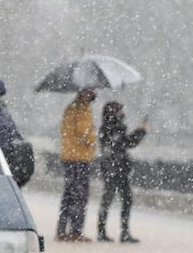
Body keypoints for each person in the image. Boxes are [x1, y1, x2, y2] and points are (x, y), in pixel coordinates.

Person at [97, 101, 148, 243]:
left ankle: (104, 232)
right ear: (113, 112)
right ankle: (121, 232)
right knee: (122, 199)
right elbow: (127, 143)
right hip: (116, 168)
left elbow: (122, 143)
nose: (122, 113)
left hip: (112, 168)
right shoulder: (113, 127)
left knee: (111, 199)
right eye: (119, 110)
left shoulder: (108, 127)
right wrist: (141, 131)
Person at [57, 88, 97, 242]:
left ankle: (61, 230)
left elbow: (65, 130)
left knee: (68, 194)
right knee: (80, 195)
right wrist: (93, 140)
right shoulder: (82, 109)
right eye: (91, 92)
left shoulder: (70, 107)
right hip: (79, 157)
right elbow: (83, 131)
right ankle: (76, 231)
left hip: (68, 155)